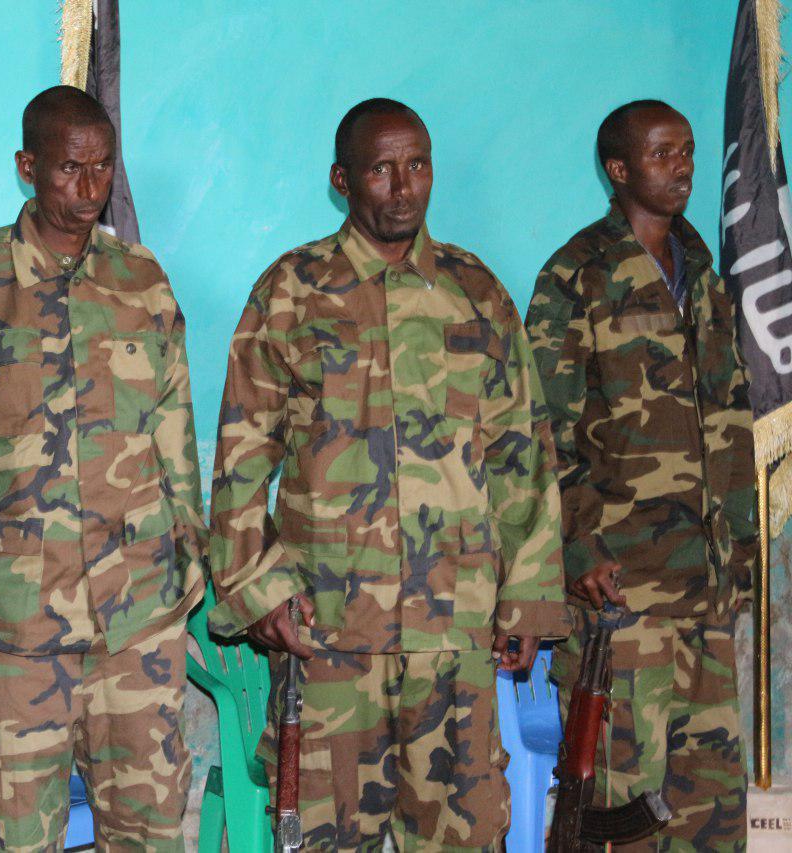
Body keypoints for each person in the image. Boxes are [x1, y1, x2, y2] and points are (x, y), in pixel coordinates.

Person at [207, 97, 570, 851]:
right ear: (342, 180)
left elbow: (522, 454)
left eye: (417, 165)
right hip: (331, 632)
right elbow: (242, 456)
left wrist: (530, 596)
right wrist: (260, 588)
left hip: (454, 631)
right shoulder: (293, 291)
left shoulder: (476, 291)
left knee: (465, 834)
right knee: (326, 835)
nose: (404, 188)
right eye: (381, 170)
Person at [0, 85, 206, 851]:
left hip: (137, 618)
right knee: (19, 834)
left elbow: (175, 440)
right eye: (70, 168)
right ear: (27, 167)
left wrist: (186, 567)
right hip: (16, 621)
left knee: (153, 831)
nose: (90, 188)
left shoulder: (141, 280)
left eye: (103, 167)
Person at [526, 99, 755, 850]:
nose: (682, 166)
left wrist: (743, 550)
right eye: (662, 154)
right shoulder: (578, 275)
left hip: (707, 592)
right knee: (621, 814)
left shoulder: (705, 276)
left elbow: (730, 418)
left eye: (686, 150)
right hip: (624, 596)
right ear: (618, 170)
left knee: (711, 813)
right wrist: (578, 545)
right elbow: (539, 431)